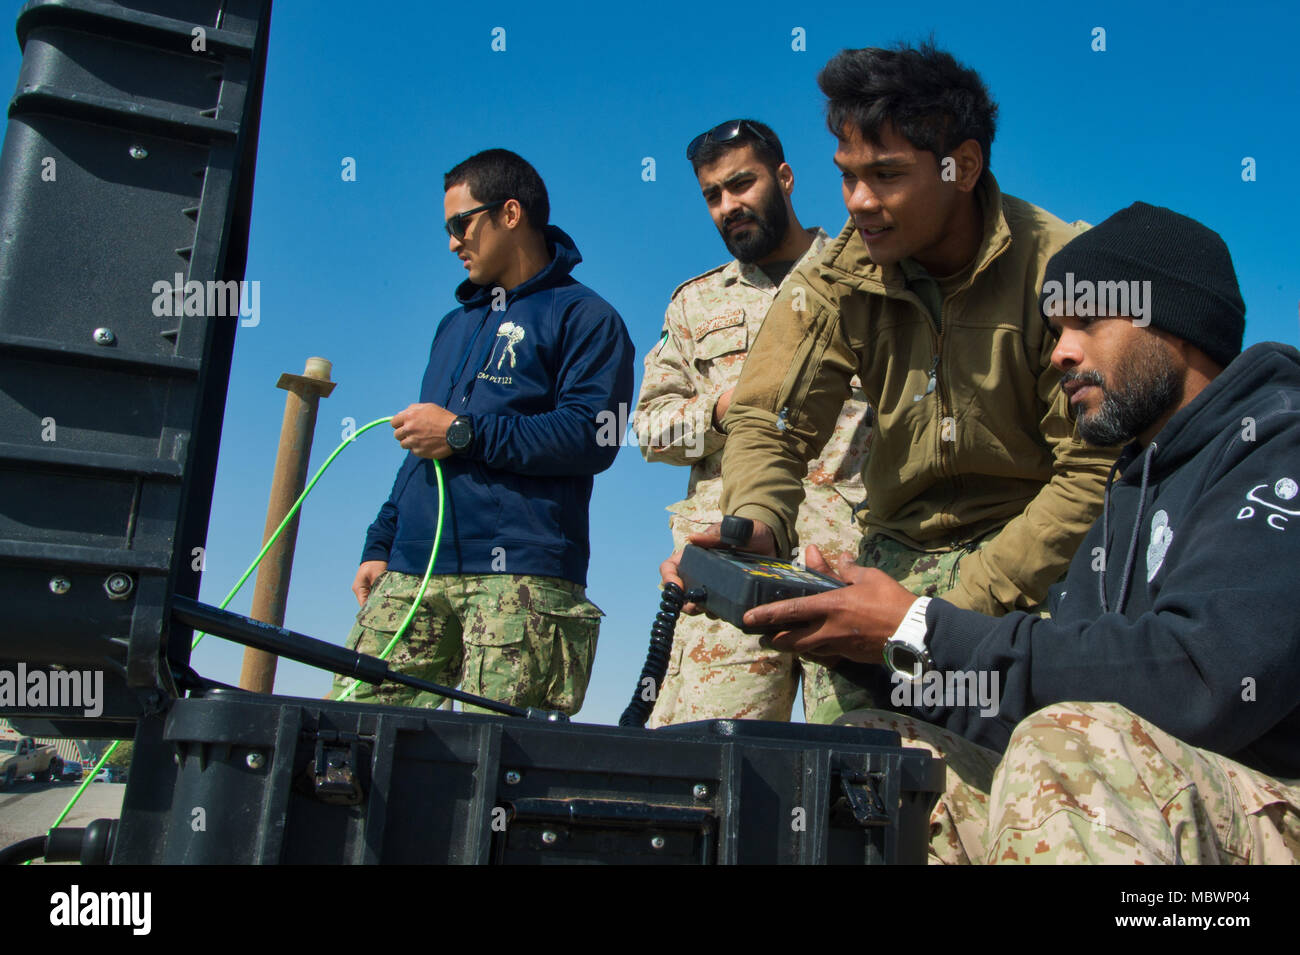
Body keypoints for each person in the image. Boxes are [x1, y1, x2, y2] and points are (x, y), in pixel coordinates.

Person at [742, 202, 1300, 864]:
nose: (1061, 349)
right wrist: (868, 647)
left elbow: (1197, 676)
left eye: (1087, 320)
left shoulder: (1277, 445)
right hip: (1153, 791)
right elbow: (1045, 678)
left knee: (1068, 748)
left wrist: (920, 626)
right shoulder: (1126, 494)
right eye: (1056, 326)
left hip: (1269, 804)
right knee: (878, 759)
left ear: (1173, 324)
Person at [674, 42, 1120, 723]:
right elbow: (768, 418)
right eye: (847, 176)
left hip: (1030, 571)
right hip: (891, 558)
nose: (859, 202)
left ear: (962, 166)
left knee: (1022, 782)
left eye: (885, 175)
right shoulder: (836, 277)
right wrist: (761, 522)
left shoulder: (1059, 267)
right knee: (856, 788)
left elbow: (1093, 470)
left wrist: (941, 614)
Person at [334, 148, 635, 715]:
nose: (452, 242)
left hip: (523, 579)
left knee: (495, 770)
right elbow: (423, 445)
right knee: (349, 742)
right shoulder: (454, 325)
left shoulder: (587, 317)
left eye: (460, 224)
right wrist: (382, 543)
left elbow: (593, 436)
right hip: (413, 572)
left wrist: (465, 433)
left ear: (511, 213)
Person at [633, 120, 873, 725]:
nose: (727, 205)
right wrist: (723, 409)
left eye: (741, 184)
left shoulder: (866, 275)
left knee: (864, 761)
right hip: (733, 569)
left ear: (785, 178)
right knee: (711, 762)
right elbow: (648, 431)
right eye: (712, 194)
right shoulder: (694, 303)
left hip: (849, 562)